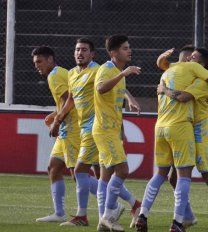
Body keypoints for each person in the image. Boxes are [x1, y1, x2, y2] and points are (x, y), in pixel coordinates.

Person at [50, 38, 141, 230]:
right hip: (85, 127)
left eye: (84, 50)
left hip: (96, 126)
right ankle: (116, 211)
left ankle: (98, 214)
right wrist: (58, 119)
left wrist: (130, 98)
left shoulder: (98, 69)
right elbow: (72, 100)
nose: (79, 53)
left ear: (92, 54)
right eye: (77, 49)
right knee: (98, 173)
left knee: (88, 171)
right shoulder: (72, 74)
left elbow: (111, 85)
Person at [135, 47, 208, 232]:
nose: (192, 58)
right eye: (191, 56)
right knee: (185, 176)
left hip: (160, 126)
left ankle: (142, 215)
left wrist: (162, 66)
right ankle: (177, 222)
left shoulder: (167, 72)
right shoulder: (193, 69)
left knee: (162, 175)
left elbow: (160, 63)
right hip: (181, 127)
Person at [157, 47, 208, 232]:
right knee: (174, 177)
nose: (189, 58)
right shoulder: (191, 76)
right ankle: (188, 217)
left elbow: (183, 97)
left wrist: (164, 89)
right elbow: (164, 66)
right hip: (185, 133)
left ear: (201, 65)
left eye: (193, 57)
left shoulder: (201, 83)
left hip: (201, 136)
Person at [93, 34, 142, 232]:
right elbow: (101, 88)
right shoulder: (107, 69)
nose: (129, 51)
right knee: (122, 170)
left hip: (111, 129)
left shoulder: (117, 71)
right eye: (124, 48)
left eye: (129, 47)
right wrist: (123, 74)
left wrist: (129, 98)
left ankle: (102, 223)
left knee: (105, 177)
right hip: (105, 130)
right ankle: (109, 214)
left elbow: (118, 88)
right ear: (113, 53)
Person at [32, 46, 80, 223]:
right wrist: (55, 114)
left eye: (40, 62)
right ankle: (59, 212)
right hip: (68, 126)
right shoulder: (60, 73)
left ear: (50, 59)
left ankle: (125, 203)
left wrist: (56, 122)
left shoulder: (54, 76)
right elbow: (66, 101)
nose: (37, 66)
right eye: (35, 63)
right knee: (53, 167)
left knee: (78, 174)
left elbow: (70, 100)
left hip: (72, 128)